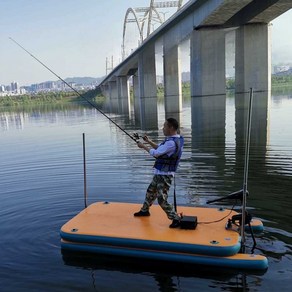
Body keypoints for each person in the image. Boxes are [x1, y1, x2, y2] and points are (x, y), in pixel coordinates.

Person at [134, 118, 184, 228]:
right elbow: (161, 149)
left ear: (171, 128)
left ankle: (176, 218)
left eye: (165, 126)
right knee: (151, 191)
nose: (163, 128)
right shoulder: (175, 139)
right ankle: (144, 210)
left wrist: (143, 147)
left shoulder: (171, 143)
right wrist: (149, 142)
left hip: (165, 175)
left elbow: (156, 154)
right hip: (160, 173)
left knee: (162, 199)